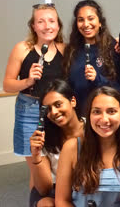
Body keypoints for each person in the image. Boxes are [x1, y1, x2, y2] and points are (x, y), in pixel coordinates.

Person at [3, 3, 65, 186]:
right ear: (33, 26)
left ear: (58, 25)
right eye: (41, 21)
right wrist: (28, 81)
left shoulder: (64, 49)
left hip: (56, 113)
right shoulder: (22, 48)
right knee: (38, 169)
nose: (47, 26)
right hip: (29, 112)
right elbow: (7, 85)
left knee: (60, 165)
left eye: (51, 21)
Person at [55, 86, 120, 207]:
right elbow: (62, 200)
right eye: (97, 112)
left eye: (111, 111)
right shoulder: (71, 147)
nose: (104, 119)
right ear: (89, 116)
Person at [63, 0, 120, 116]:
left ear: (100, 22)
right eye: (81, 20)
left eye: (91, 18)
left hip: (105, 116)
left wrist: (98, 79)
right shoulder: (71, 50)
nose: (86, 24)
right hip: (78, 116)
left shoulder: (113, 48)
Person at [29, 79, 84, 207]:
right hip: (54, 189)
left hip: (85, 186)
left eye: (58, 104)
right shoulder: (45, 137)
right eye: (48, 109)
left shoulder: (92, 129)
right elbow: (44, 189)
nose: (53, 112)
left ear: (73, 101)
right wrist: (36, 157)